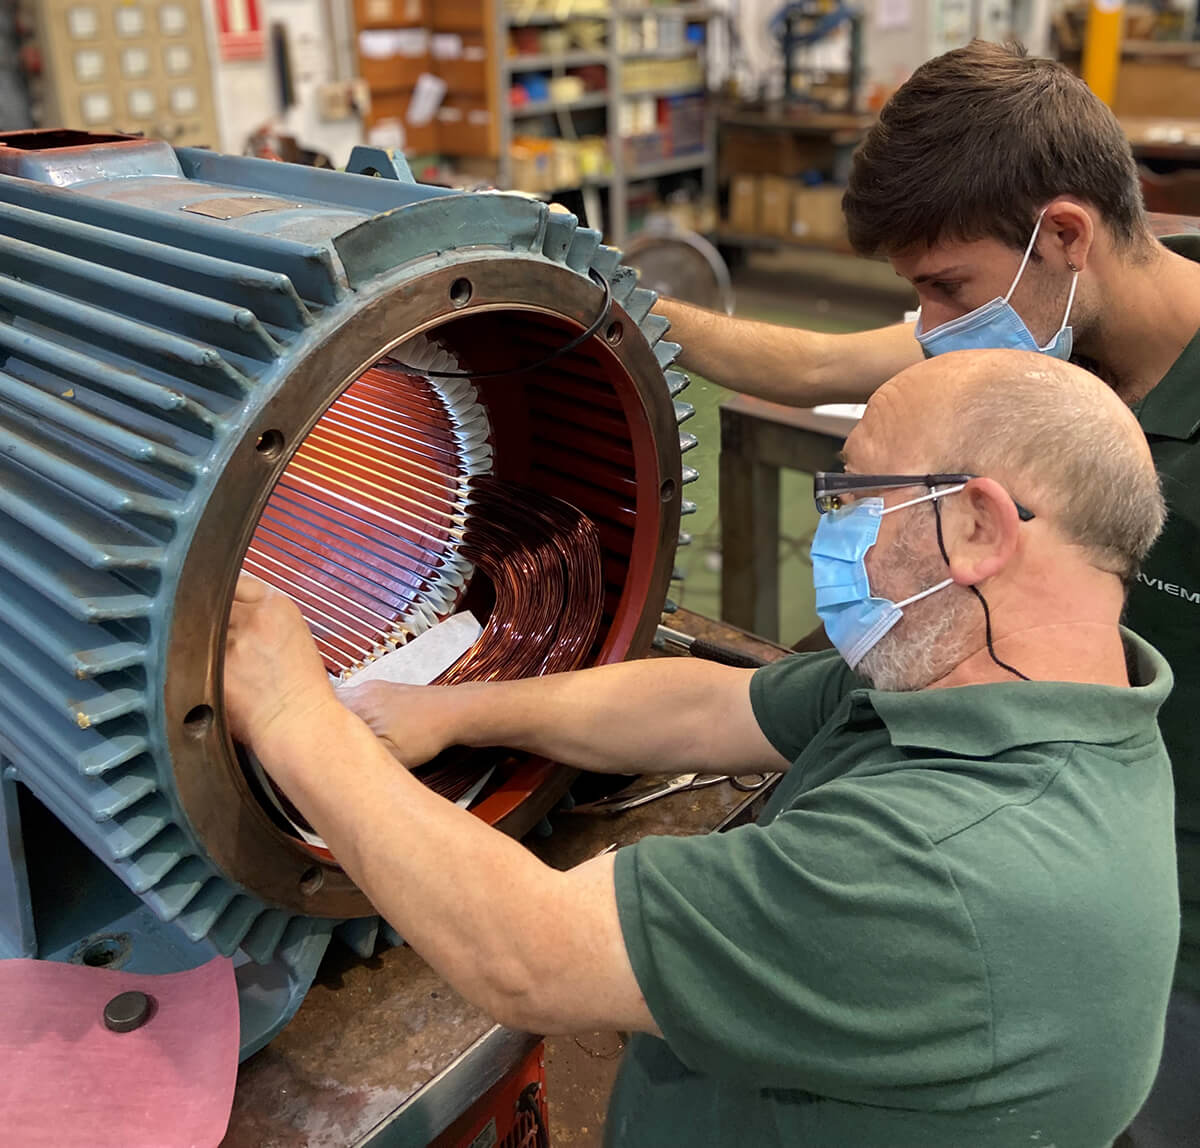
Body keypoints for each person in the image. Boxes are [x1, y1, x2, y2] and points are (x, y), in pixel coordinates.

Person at [226, 349, 1177, 1148]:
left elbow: (529, 956)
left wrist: (291, 713)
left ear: (977, 529)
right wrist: (457, 712)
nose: (830, 522)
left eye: (851, 491)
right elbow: (706, 708)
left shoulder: (947, 868)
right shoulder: (1026, 688)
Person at [657, 43, 1200, 1145]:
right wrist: (591, 286)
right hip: (1011, 851)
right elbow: (805, 365)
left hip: (1169, 935)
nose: (935, 326)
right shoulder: (1032, 325)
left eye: (946, 287)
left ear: (1063, 235)